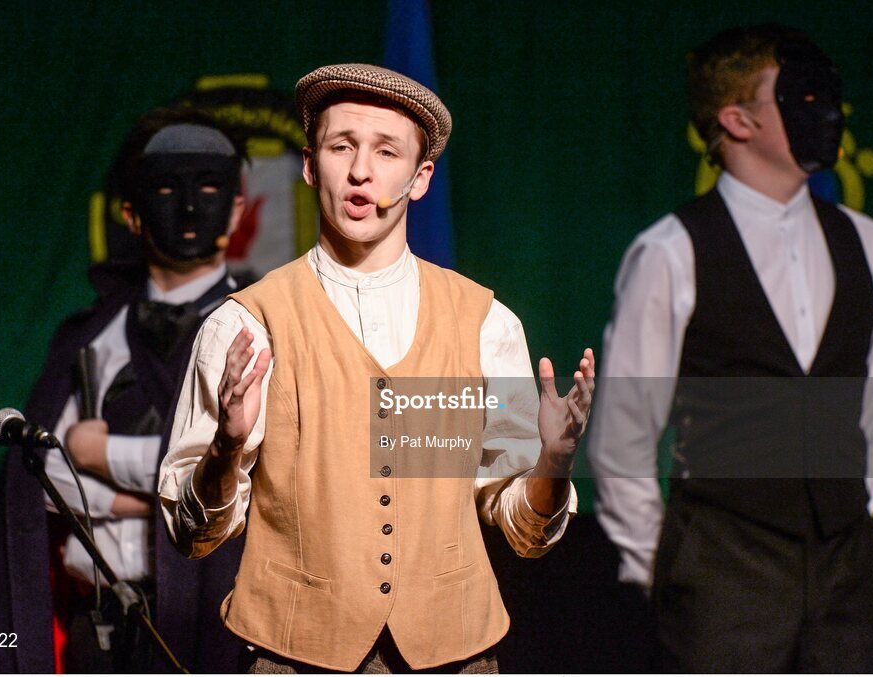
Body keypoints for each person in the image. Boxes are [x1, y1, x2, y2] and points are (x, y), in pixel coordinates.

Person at [159, 63, 595, 673]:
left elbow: (525, 532)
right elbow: (193, 534)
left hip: (455, 655)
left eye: (387, 152)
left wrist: (553, 463)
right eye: (342, 146)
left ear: (420, 179)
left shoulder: (483, 324)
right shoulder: (247, 326)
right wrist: (225, 448)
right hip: (296, 656)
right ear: (310, 166)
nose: (361, 170)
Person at [588, 24, 873, 672]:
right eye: (800, 98)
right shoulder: (672, 250)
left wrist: (851, 518)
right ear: (736, 120)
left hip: (848, 579)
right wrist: (672, 572)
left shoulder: (869, 245)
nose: (826, 112)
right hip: (723, 580)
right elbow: (622, 437)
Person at [0, 109, 254, 673]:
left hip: (218, 628)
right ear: (131, 213)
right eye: (167, 190)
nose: (190, 209)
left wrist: (99, 454)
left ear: (237, 207)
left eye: (208, 188)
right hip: (99, 632)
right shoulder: (90, 335)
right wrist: (129, 498)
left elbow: (255, 468)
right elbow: (40, 473)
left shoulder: (263, 327)